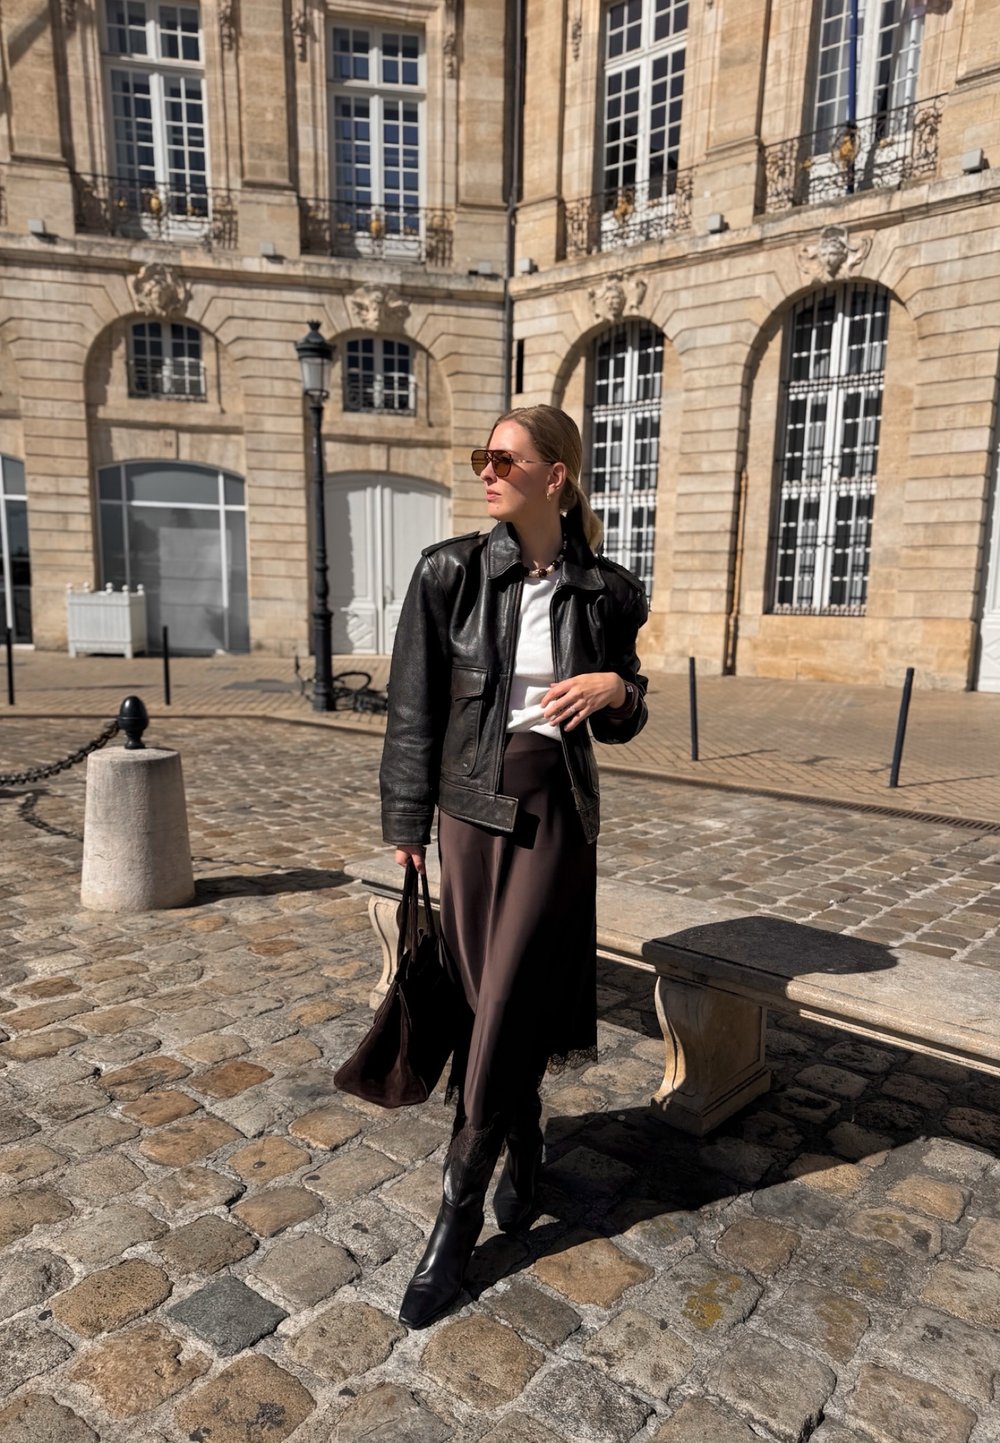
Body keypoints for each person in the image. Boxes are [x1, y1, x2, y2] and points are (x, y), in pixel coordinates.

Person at [379, 403, 648, 1329]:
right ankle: (523, 1128)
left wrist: (620, 687)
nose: (485, 471)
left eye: (504, 458)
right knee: (494, 987)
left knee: (501, 1002)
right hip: (468, 813)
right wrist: (407, 818)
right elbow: (411, 706)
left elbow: (624, 710)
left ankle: (454, 1217)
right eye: (481, 458)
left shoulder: (606, 589)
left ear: (555, 475)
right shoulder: (449, 572)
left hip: (557, 813)